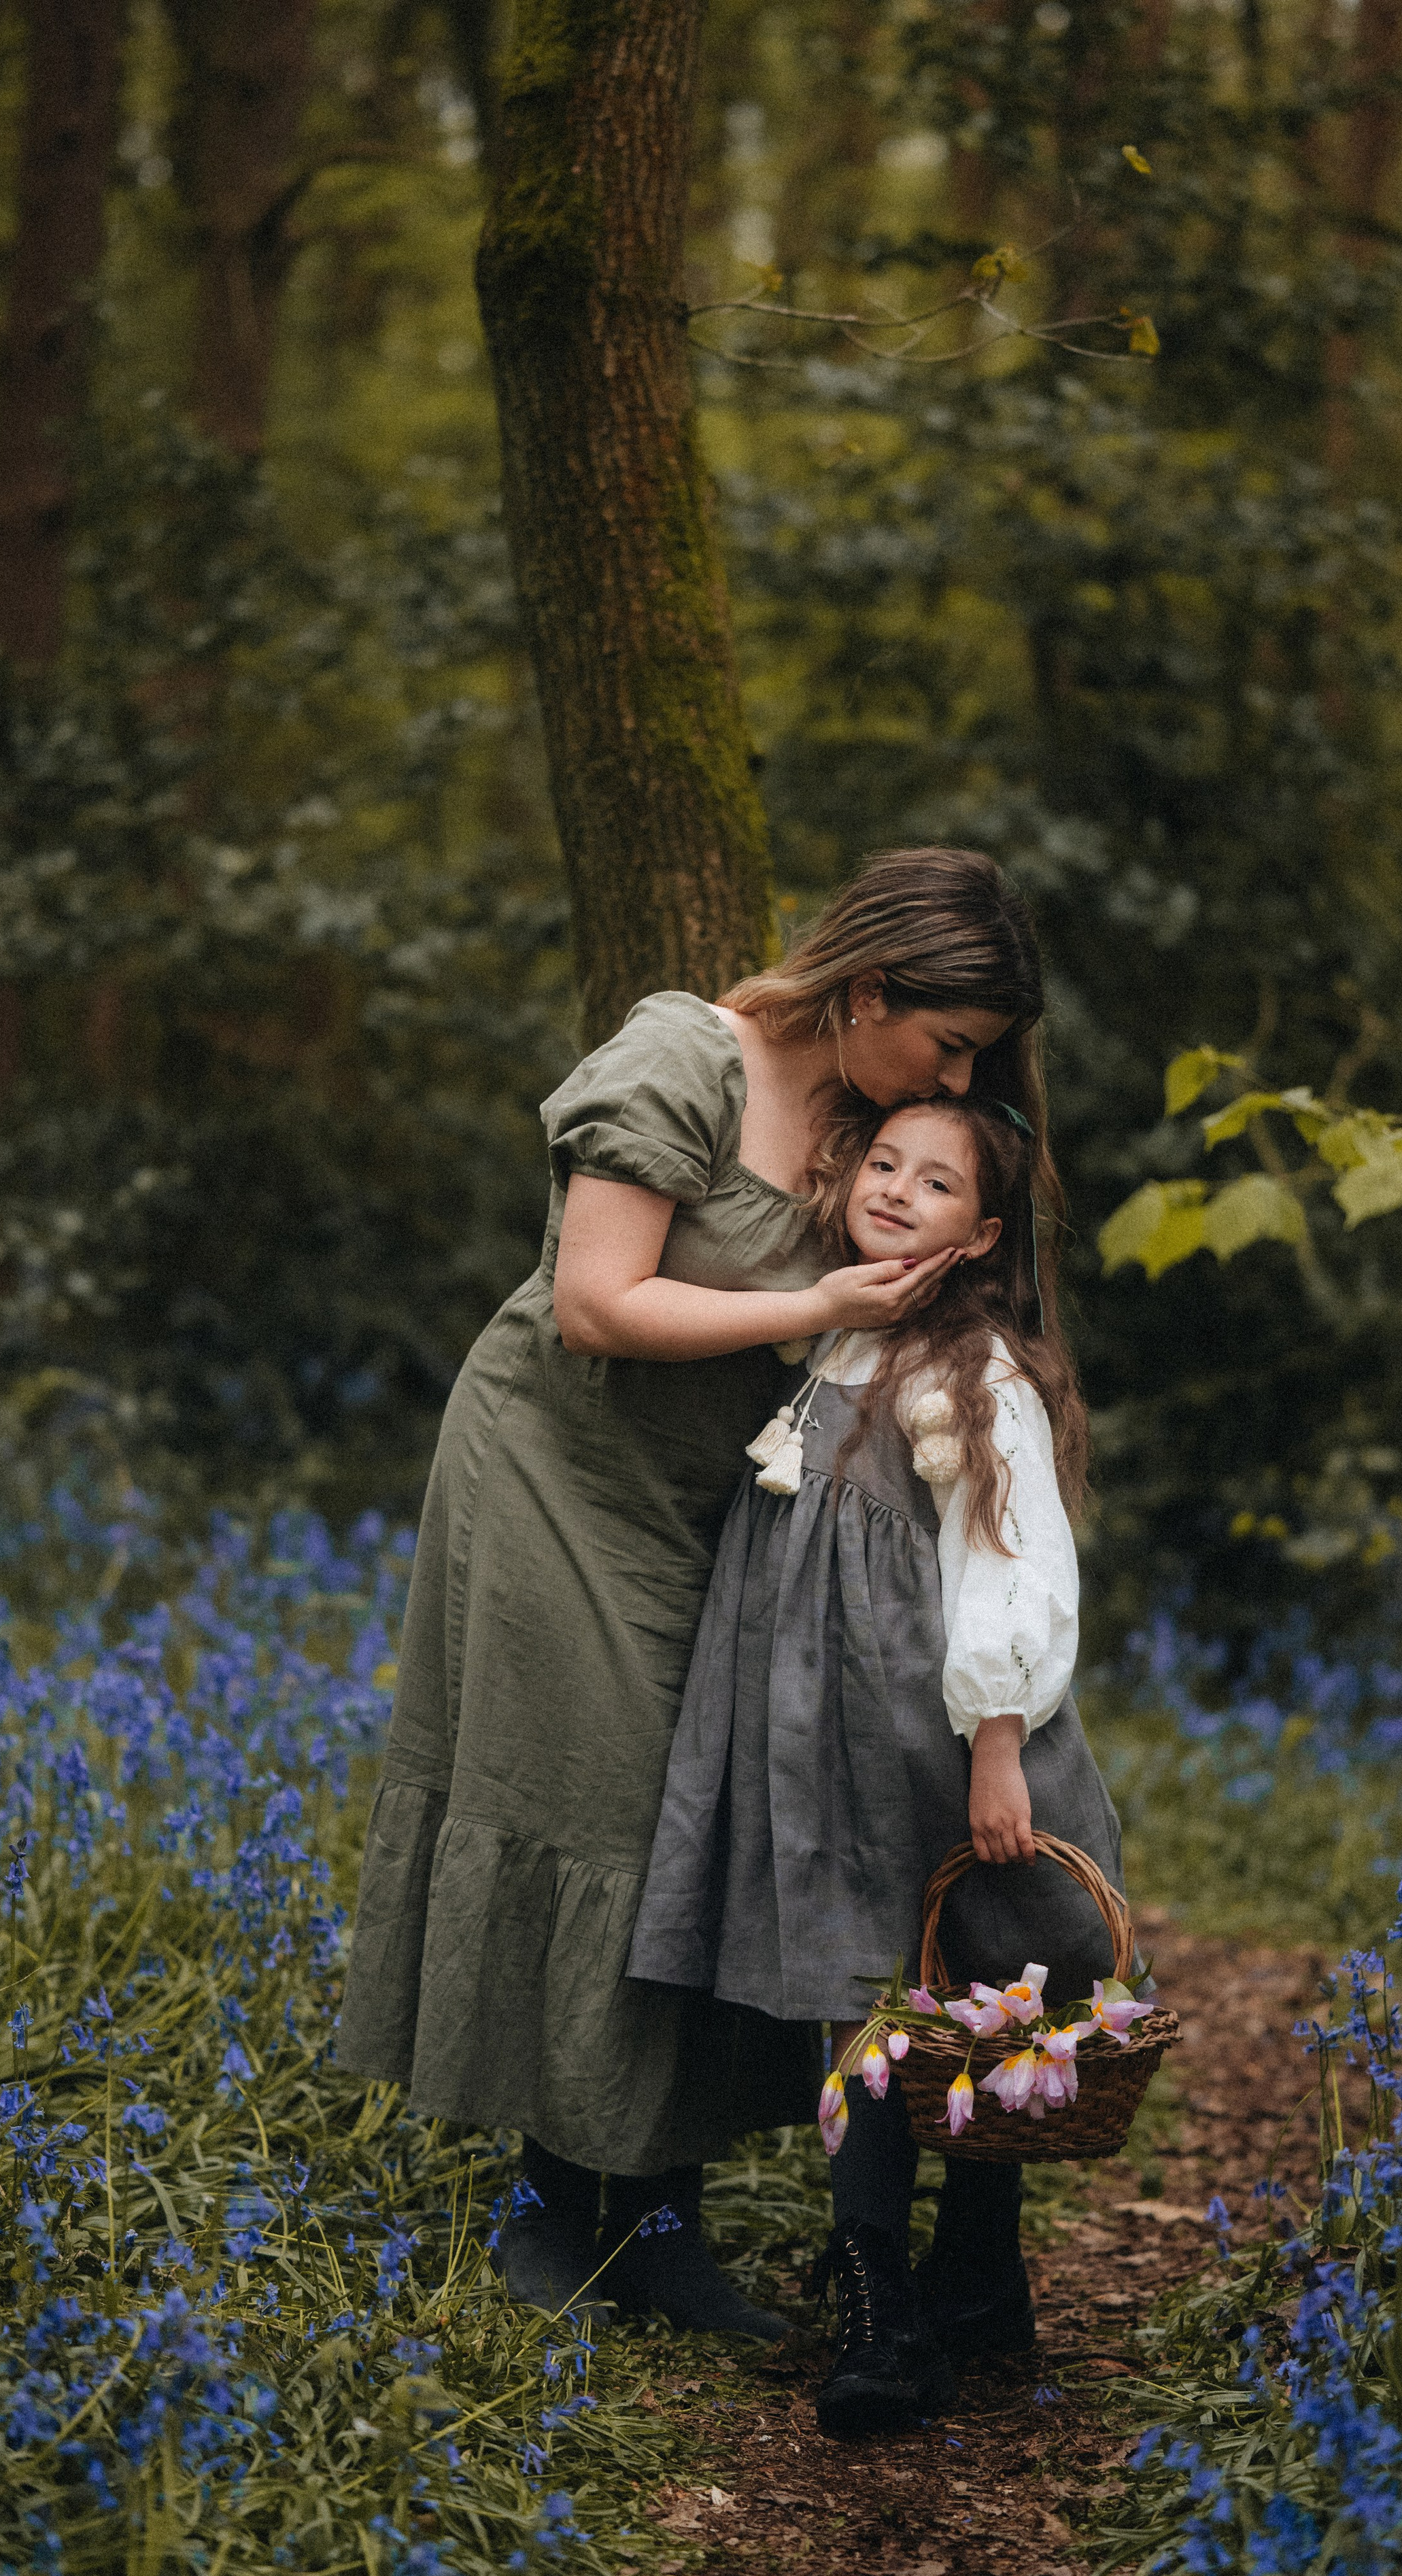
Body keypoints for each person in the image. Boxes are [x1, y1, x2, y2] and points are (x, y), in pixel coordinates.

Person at [336, 848, 1055, 2340]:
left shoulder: (875, 1118)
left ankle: (661, 2222)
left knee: (695, 1827)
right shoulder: (683, 1056)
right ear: (868, 991)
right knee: (588, 1805)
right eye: (949, 1039)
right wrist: (817, 1304)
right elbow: (599, 1303)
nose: (959, 1073)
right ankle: (550, 2206)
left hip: (724, 1513)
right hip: (559, 1477)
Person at [628, 1093, 1124, 2431]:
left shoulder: (975, 1375)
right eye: (884, 1164)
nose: (898, 1190)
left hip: (936, 1746)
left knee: (975, 1990)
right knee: (856, 2002)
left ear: (983, 1232)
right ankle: (878, 2297)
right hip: (815, 1755)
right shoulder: (833, 1333)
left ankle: (971, 2264)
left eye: (937, 1183)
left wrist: (998, 1745)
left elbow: (1010, 1568)